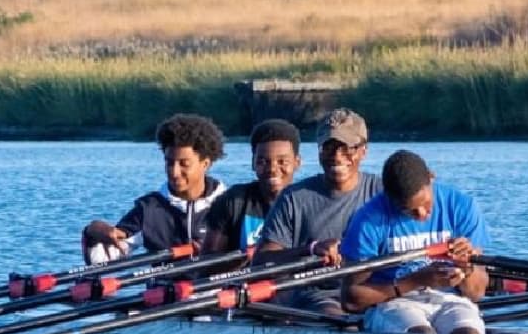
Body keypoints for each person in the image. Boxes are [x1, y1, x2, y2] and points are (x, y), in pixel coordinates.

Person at [340, 151, 492, 334]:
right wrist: (415, 281)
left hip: (450, 300)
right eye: (408, 210)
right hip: (393, 302)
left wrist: (466, 267)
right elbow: (351, 300)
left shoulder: (461, 206)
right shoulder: (368, 220)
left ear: (431, 177)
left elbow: (476, 293)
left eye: (426, 203)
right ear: (389, 197)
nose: (421, 214)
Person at [81, 113, 250, 265]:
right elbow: (103, 260)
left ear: (205, 164)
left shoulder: (233, 204)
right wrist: (92, 233)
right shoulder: (149, 210)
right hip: (165, 294)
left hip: (220, 293)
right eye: (169, 162)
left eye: (184, 164)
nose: (174, 172)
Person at [259, 109, 390, 301]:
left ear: (364, 151)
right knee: (339, 318)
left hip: (376, 291)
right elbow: (262, 260)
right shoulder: (294, 198)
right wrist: (311, 249)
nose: (336, 156)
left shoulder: (386, 192)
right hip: (318, 293)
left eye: (346, 148)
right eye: (328, 148)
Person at [233, 119, 306, 248]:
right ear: (253, 163)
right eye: (263, 162)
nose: (272, 169)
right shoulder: (233, 202)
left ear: (297, 162)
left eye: (282, 161)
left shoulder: (310, 202)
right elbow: (209, 259)